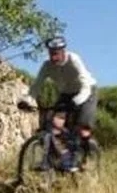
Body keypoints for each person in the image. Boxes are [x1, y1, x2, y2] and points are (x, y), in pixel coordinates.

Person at [24, 36, 98, 170]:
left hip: (87, 91)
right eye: (51, 53)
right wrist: (27, 100)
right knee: (54, 123)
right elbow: (37, 85)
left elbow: (85, 84)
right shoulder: (47, 66)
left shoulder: (73, 60)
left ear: (63, 51)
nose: (53, 57)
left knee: (82, 129)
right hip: (66, 93)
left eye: (56, 53)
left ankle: (86, 156)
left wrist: (77, 101)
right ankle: (63, 156)